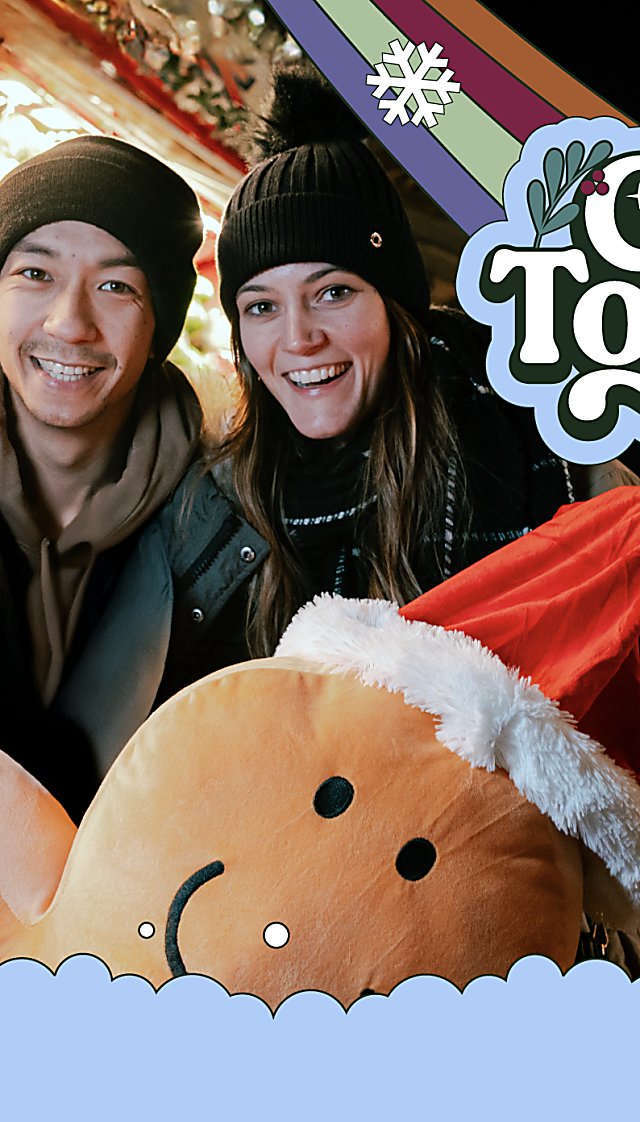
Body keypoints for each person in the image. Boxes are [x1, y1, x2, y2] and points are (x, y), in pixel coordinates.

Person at [209, 63, 637, 660]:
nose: (299, 338)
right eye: (260, 307)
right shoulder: (229, 494)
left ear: (395, 302)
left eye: (333, 292)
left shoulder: (544, 435)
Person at [0, 136, 267, 821]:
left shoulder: (234, 528)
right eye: (35, 274)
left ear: (160, 325)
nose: (70, 323)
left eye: (117, 286)